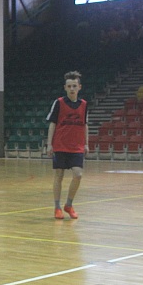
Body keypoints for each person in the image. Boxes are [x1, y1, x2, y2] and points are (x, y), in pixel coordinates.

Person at [45, 71, 89, 220]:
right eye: (69, 86)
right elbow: (52, 124)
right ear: (65, 87)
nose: (72, 89)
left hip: (76, 146)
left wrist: (86, 143)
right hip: (60, 145)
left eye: (74, 86)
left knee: (78, 174)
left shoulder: (84, 105)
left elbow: (85, 125)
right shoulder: (59, 103)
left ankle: (69, 204)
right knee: (59, 175)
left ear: (79, 87)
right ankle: (57, 207)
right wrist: (49, 144)